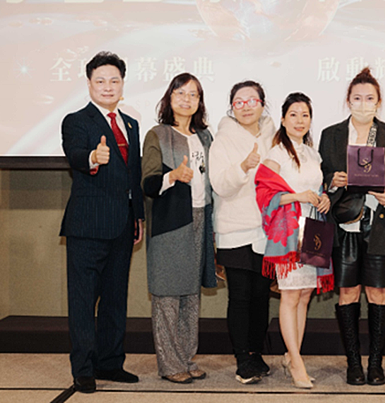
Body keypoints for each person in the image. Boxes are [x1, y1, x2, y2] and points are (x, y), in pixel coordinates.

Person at [60, 51, 144, 394]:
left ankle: (110, 362)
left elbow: (134, 175)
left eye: (114, 80)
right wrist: (94, 157)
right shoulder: (76, 120)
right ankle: (83, 368)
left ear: (122, 84)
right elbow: (76, 155)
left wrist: (138, 215)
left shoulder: (131, 124)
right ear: (89, 83)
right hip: (88, 225)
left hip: (123, 224)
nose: (108, 86)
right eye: (100, 81)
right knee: (83, 300)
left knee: (114, 298)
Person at [319, 67, 385, 386]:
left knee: (378, 292)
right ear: (348, 101)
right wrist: (333, 180)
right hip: (345, 227)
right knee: (348, 292)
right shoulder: (331, 134)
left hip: (380, 223)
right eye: (357, 98)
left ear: (378, 102)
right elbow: (320, 176)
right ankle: (353, 363)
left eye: (370, 98)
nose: (363, 104)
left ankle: (376, 364)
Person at [141, 73, 217, 384]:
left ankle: (186, 358)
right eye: (180, 93)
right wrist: (173, 176)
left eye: (193, 94)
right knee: (168, 295)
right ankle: (170, 364)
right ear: (169, 98)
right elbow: (147, 183)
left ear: (200, 101)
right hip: (170, 223)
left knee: (191, 294)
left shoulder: (206, 137)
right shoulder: (157, 134)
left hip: (201, 218)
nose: (187, 99)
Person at [255, 93, 333, 389]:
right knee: (290, 294)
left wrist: (323, 198)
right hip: (289, 231)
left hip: (313, 229)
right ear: (283, 119)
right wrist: (297, 196)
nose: (300, 121)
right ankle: (297, 362)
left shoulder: (314, 154)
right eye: (294, 114)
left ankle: (292, 356)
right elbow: (264, 193)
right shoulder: (276, 154)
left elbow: (318, 188)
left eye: (305, 115)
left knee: (304, 295)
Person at [208, 80, 276, 384]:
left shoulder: (275, 136)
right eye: (239, 102)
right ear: (231, 107)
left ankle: (256, 353)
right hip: (234, 228)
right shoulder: (222, 139)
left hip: (267, 230)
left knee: (262, 296)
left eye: (252, 100)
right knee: (240, 296)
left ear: (262, 104)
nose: (246, 107)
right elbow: (219, 184)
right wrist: (243, 167)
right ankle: (242, 359)